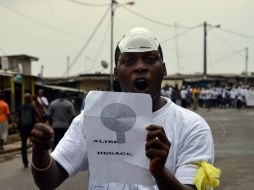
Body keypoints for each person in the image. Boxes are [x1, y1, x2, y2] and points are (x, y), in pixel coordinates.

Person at [30, 27, 219, 190]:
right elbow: (48, 181)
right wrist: (40, 151)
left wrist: (160, 172)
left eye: (150, 59)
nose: (140, 67)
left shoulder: (192, 126)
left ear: (164, 69)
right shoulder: (91, 120)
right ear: (116, 73)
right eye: (129, 61)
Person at [16, 93, 37, 168]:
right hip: (31, 128)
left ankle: (25, 162)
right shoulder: (32, 107)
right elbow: (36, 118)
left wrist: (19, 128)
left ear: (24, 99)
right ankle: (36, 161)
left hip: (23, 128)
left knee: (23, 145)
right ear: (30, 99)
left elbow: (18, 119)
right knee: (35, 145)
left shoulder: (20, 107)